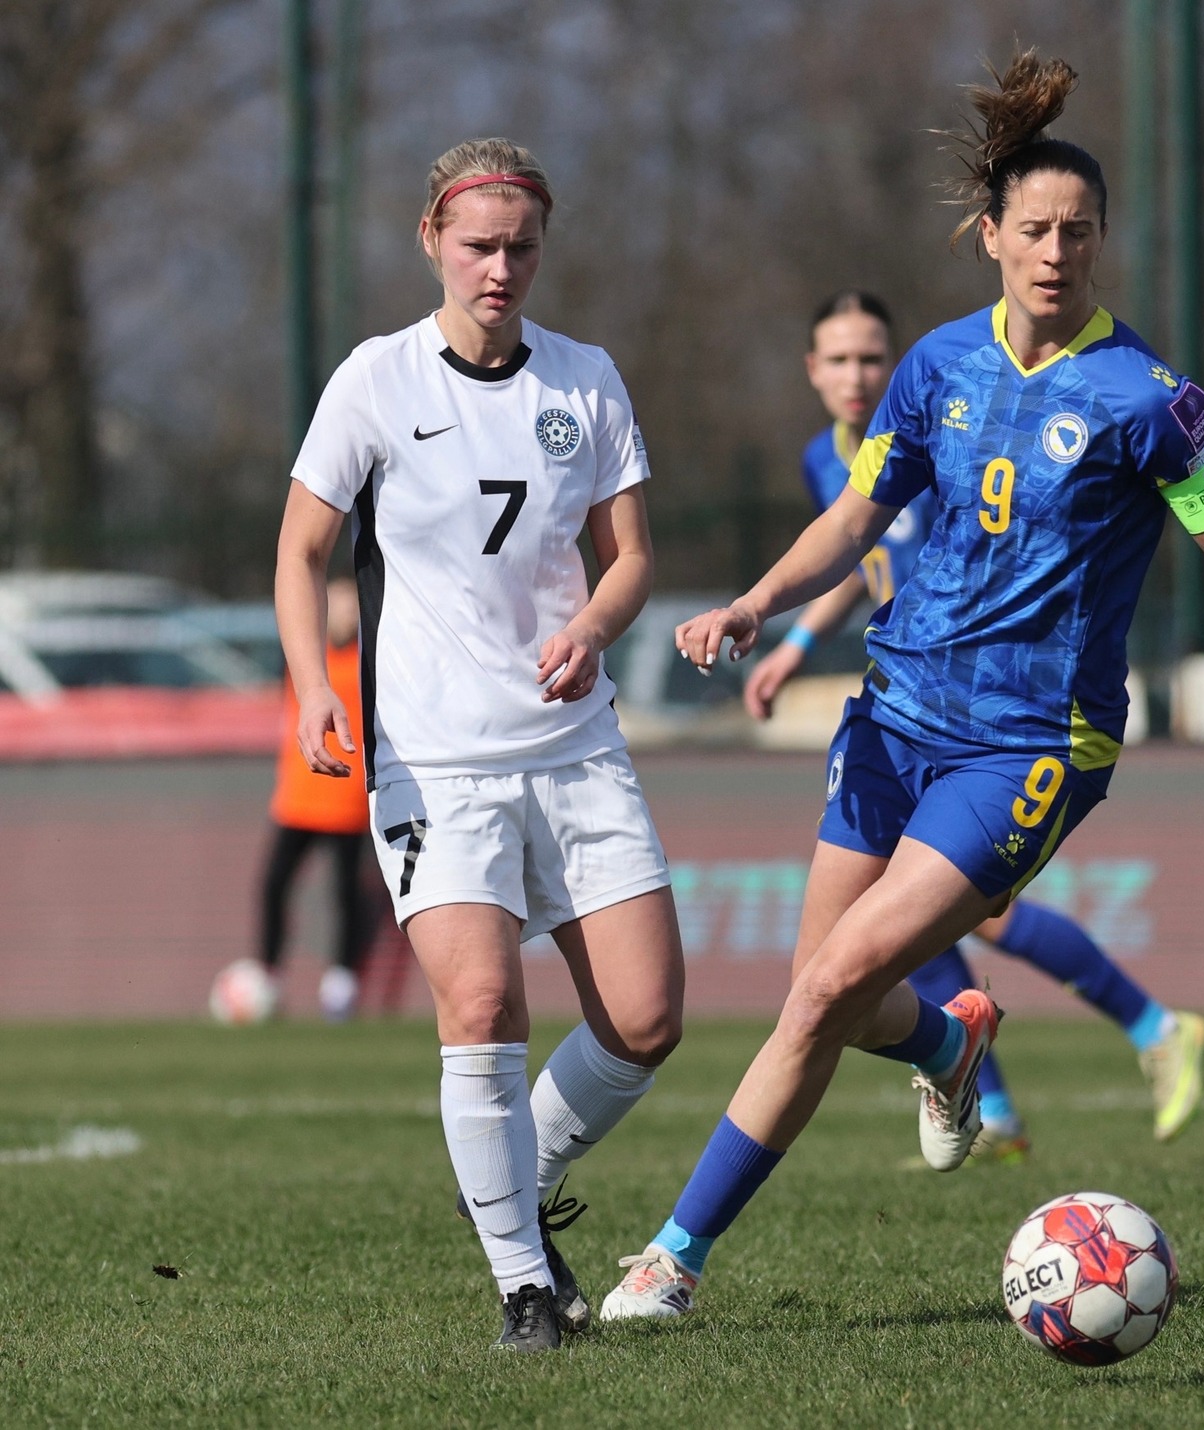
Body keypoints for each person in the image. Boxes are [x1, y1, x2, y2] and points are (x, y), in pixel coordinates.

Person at [599, 51, 1204, 1323]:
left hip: (1031, 744)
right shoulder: (933, 366)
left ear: (1101, 242)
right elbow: (858, 516)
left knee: (821, 990)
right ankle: (946, 1039)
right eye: (1032, 228)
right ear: (990, 237)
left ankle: (671, 1258)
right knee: (831, 990)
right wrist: (758, 602)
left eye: (1076, 231)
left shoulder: (1148, 401)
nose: (1054, 252)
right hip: (893, 716)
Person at [274, 138, 686, 1351]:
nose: (500, 268)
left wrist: (595, 626)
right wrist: (311, 686)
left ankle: (508, 1172)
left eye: (520, 247)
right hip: (433, 757)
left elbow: (632, 557)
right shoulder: (375, 379)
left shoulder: (585, 379)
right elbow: (299, 550)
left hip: (573, 745)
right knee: (483, 1000)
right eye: (478, 246)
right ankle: (523, 1286)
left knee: (647, 1019)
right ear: (432, 243)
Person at [744, 287, 1204, 1160]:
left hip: (996, 715)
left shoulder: (955, 418)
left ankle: (1143, 1029)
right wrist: (794, 644)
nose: (857, 376)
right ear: (812, 371)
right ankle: (994, 1094)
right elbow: (859, 553)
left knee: (949, 925)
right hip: (911, 702)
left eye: (871, 358)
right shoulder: (825, 460)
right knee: (901, 939)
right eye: (839, 360)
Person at [249, 576, 373, 1021]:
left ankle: (342, 984)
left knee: (345, 895)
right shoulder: (306, 663)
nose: (342, 614)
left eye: (349, 606)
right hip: (298, 798)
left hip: (346, 800)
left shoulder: (368, 660)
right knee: (274, 885)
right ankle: (268, 975)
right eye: (334, 604)